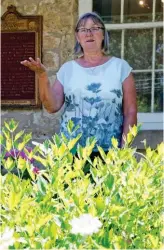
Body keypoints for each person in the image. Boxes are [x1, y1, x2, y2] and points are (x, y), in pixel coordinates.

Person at [21, 12, 137, 155]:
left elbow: (130, 113)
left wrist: (124, 152)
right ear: (78, 37)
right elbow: (52, 106)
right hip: (72, 151)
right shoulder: (68, 69)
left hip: (110, 153)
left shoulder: (121, 68)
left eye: (95, 28)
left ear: (103, 34)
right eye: (83, 29)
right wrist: (42, 75)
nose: (89, 33)